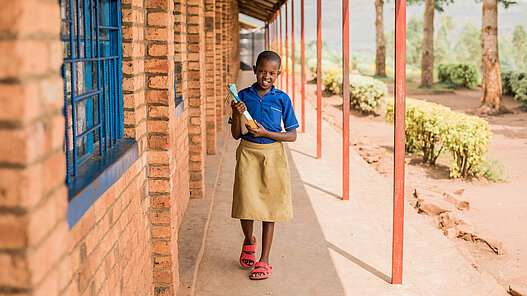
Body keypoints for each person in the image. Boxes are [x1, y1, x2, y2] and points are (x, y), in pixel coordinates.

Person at [230, 50, 299, 280]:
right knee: (246, 203)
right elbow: (235, 135)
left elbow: (291, 136)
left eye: (271, 73)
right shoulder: (243, 96)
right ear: (254, 70)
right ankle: (249, 241)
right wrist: (235, 111)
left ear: (279, 74)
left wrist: (266, 132)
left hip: (273, 155)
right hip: (248, 153)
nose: (266, 76)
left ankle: (264, 259)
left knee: (270, 208)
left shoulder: (282, 99)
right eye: (262, 71)